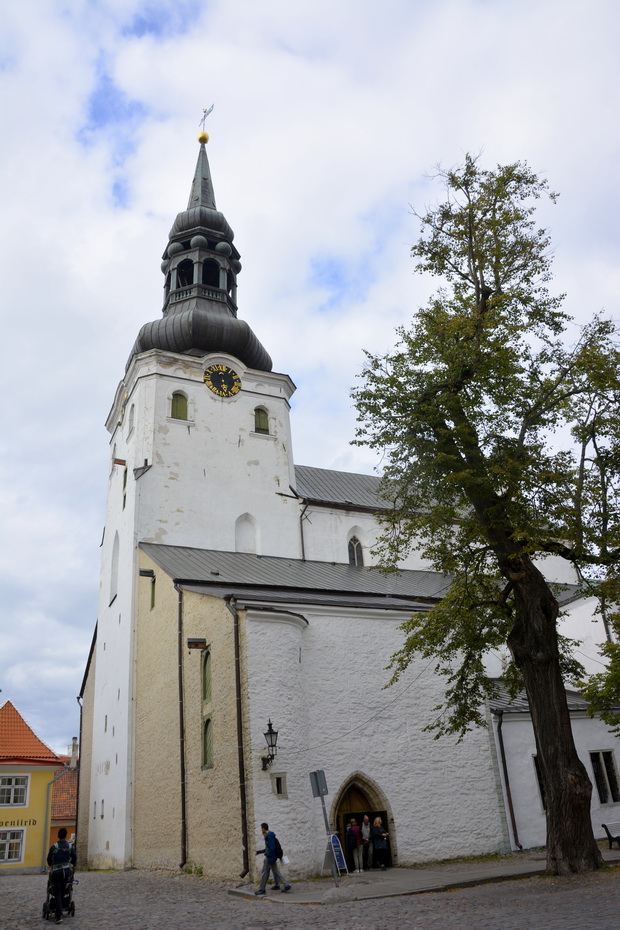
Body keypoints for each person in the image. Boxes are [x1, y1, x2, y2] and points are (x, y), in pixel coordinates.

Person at [46, 828, 76, 924]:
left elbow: (49, 859)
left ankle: (58, 916)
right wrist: (72, 865)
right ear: (66, 836)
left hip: (56, 872)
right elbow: (74, 857)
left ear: (58, 836)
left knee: (57, 893)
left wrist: (51, 865)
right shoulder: (70, 847)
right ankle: (62, 907)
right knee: (64, 891)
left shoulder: (54, 847)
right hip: (66, 872)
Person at [254, 822, 291, 895]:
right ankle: (286, 884)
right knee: (276, 871)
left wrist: (267, 855)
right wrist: (259, 852)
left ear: (264, 828)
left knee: (265, 873)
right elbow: (268, 848)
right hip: (272, 857)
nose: (261, 830)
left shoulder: (269, 836)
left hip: (270, 857)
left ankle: (262, 889)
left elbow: (272, 848)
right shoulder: (270, 836)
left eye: (261, 828)